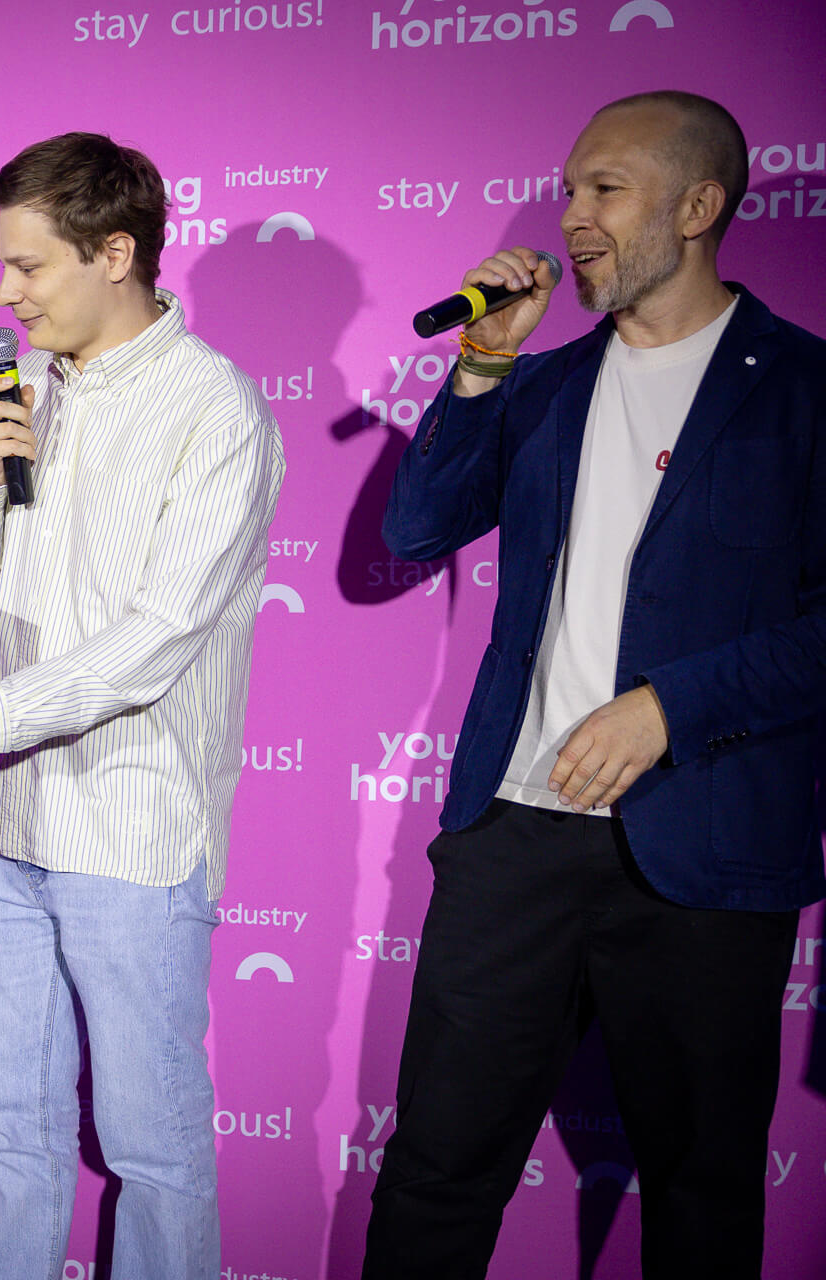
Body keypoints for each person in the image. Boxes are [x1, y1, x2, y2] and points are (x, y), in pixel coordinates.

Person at [366, 91, 826, 1277]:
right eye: (569, 189)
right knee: (436, 1170)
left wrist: (671, 705)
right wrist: (483, 363)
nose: (572, 216)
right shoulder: (543, 382)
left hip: (705, 850)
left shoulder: (806, 390)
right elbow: (414, 529)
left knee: (701, 1193)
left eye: (605, 189)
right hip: (514, 835)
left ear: (699, 205)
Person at [0, 133, 284, 1279]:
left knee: (154, 1151)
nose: (7, 292)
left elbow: (154, 640)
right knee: (9, 1131)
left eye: (30, 265)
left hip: (131, 833)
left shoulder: (217, 409)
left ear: (116, 254)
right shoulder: (30, 384)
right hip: (3, 825)